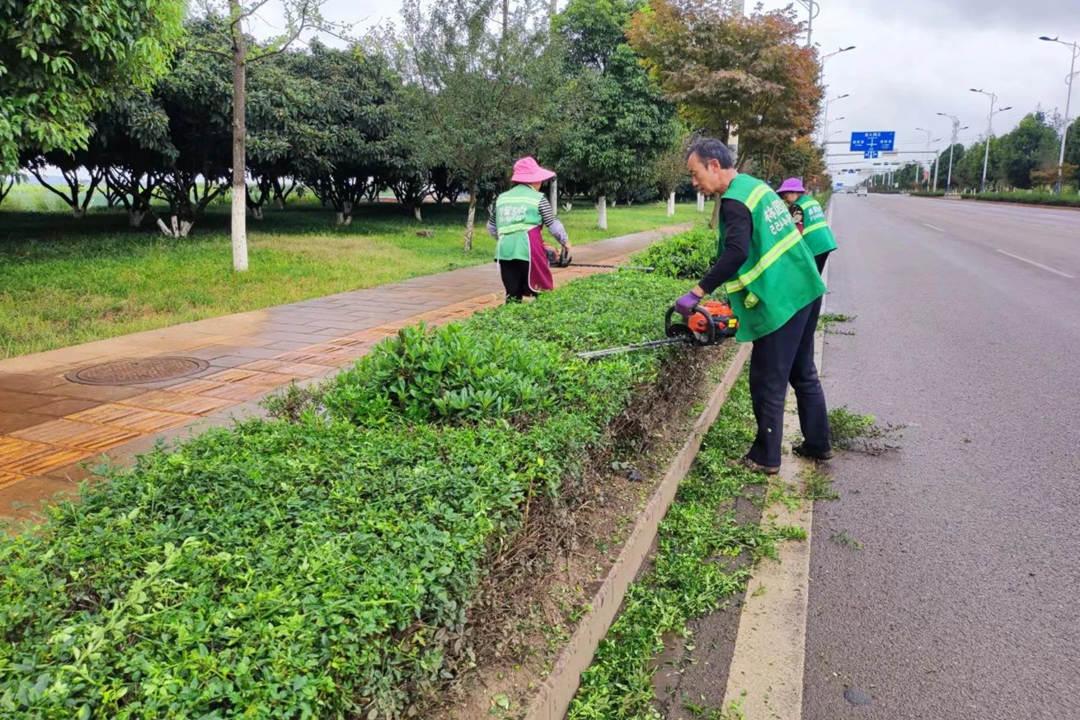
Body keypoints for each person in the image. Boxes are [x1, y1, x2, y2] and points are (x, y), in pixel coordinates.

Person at [675, 138, 832, 474]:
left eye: (694, 172)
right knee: (802, 371)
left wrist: (697, 291)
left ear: (714, 166)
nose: (693, 182)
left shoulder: (734, 201)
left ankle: (765, 457)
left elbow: (736, 253)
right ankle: (819, 443)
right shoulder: (755, 187)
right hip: (805, 287)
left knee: (767, 380)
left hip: (783, 299)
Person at [488, 157, 571, 302]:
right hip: (529, 250)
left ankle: (511, 320)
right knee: (542, 290)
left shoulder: (502, 198)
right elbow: (553, 224)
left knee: (512, 294)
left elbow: (491, 227)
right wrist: (565, 242)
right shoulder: (538, 198)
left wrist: (508, 238)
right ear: (534, 180)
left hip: (504, 251)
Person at [777, 177, 837, 274]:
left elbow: (796, 231)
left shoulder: (796, 206)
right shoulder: (811, 201)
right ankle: (819, 289)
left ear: (794, 193)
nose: (785, 197)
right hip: (825, 242)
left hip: (814, 245)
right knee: (816, 274)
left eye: (786, 194)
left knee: (809, 276)